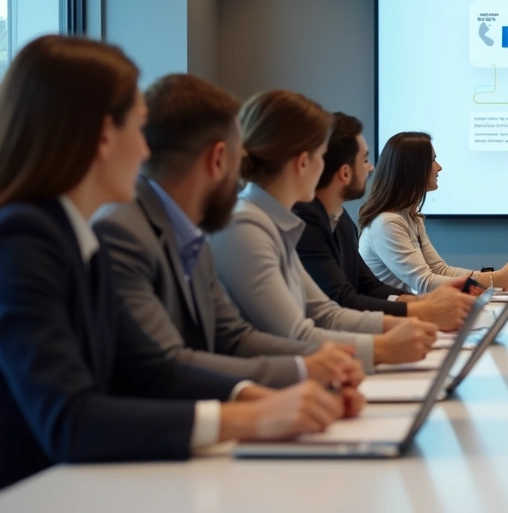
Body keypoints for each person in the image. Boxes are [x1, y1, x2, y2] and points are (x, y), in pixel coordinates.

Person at [0, 37, 359, 490]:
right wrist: (246, 418)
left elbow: (154, 369)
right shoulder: (25, 238)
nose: (147, 151)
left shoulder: (73, 235)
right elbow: (70, 419)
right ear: (102, 137)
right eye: (138, 128)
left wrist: (266, 401)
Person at [95, 74, 364, 388]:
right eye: (239, 161)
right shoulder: (123, 231)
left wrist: (326, 362)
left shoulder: (190, 233)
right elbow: (166, 364)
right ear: (218, 159)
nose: (241, 177)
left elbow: (233, 337)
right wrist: (305, 372)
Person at [209, 90, 444, 372]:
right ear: (303, 162)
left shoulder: (273, 221)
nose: (326, 169)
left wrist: (410, 320)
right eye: (322, 156)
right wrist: (385, 345)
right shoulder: (246, 226)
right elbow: (297, 334)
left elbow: (324, 313)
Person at [293, 112, 473, 330]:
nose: (371, 168)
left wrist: (418, 303)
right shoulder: (307, 222)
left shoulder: (341, 220)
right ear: (345, 173)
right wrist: (418, 310)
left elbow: (368, 286)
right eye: (365, 160)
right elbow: (341, 299)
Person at [358, 132, 508, 294]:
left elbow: (441, 271)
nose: (439, 167)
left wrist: (497, 277)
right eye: (433, 160)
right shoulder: (387, 223)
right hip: (394, 320)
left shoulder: (411, 217)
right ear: (414, 168)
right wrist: (495, 279)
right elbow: (424, 283)